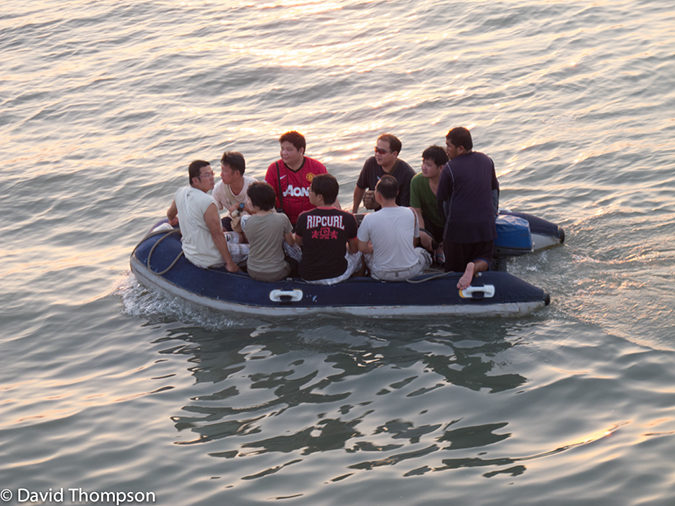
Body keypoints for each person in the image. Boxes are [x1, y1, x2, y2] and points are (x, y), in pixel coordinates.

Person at [436, 127, 500, 290]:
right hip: (485, 226)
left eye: (448, 146)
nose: (446, 150)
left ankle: (458, 286)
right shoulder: (487, 160)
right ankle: (474, 267)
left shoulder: (449, 168)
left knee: (453, 270)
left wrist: (446, 225)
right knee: (485, 258)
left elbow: (441, 199)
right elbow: (494, 191)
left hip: (458, 230)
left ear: (460, 148)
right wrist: (491, 217)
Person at [166, 160, 248, 272]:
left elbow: (170, 213)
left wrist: (172, 219)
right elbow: (217, 235)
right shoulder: (208, 202)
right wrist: (230, 263)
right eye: (207, 175)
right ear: (195, 180)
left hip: (191, 251)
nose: (212, 178)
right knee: (252, 251)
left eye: (212, 174)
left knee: (239, 237)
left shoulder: (181, 192)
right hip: (210, 257)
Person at [357, 175, 431, 281]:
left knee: (365, 255)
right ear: (397, 193)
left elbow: (362, 248)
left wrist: (372, 248)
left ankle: (363, 281)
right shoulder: (411, 213)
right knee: (422, 253)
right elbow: (413, 243)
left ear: (378, 196)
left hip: (382, 274)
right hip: (410, 271)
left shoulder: (369, 219)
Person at [294, 174, 363, 284]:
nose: (308, 193)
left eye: (310, 190)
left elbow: (299, 242)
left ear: (320, 196)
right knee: (360, 250)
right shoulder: (348, 218)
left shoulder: (303, 217)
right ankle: (359, 281)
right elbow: (353, 249)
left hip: (308, 275)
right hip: (338, 275)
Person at [265, 131, 339, 227]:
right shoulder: (274, 169)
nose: (284, 153)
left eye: (289, 149)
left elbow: (330, 196)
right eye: (282, 149)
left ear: (301, 151)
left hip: (313, 220)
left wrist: (341, 217)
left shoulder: (317, 168)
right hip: (284, 222)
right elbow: (265, 199)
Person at [240, 182, 296, 282]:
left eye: (249, 199)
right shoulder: (282, 218)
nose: (247, 201)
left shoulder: (247, 222)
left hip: (253, 271)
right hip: (278, 272)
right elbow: (291, 242)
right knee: (292, 263)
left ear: (256, 205)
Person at [351, 133, 416, 213]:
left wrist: (380, 201)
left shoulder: (407, 174)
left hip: (398, 216)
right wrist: (354, 212)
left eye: (382, 152)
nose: (377, 154)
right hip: (379, 213)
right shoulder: (371, 164)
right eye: (376, 150)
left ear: (394, 154)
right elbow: (360, 187)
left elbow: (406, 209)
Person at [410, 145, 449, 264]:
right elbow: (417, 211)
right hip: (430, 223)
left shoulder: (451, 182)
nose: (424, 167)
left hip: (450, 223)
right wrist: (422, 232)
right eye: (423, 163)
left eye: (429, 165)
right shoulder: (417, 181)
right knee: (410, 216)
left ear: (441, 168)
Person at [212, 151, 257, 229]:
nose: (221, 174)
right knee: (218, 229)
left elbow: (262, 211)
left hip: (254, 220)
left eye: (225, 171)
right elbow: (212, 213)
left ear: (236, 173)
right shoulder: (218, 188)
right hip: (234, 220)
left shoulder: (253, 185)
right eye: (221, 170)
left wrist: (239, 206)